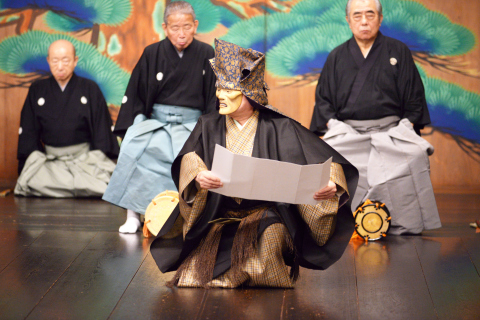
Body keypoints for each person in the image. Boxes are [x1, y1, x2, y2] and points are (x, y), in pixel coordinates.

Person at [149, 39, 359, 288]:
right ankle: (236, 274)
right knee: (191, 275)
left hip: (268, 218)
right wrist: (197, 176)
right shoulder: (208, 124)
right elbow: (190, 160)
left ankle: (237, 275)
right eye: (219, 88)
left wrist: (330, 184)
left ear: (250, 93)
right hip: (220, 216)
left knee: (268, 245)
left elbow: (325, 162)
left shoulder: (280, 127)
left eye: (228, 90)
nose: (219, 95)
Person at [309, 0, 441, 234]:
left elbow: (414, 99)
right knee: (326, 156)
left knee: (416, 154)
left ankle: (405, 222)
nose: (364, 21)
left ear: (380, 19)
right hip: (349, 134)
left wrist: (404, 128)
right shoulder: (337, 56)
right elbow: (324, 103)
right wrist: (337, 127)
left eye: (370, 15)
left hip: (391, 132)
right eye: (357, 15)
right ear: (348, 20)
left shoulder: (398, 51)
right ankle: (339, 224)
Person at [102, 1, 216, 233]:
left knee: (193, 157)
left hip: (192, 124)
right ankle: (133, 213)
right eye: (175, 28)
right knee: (134, 146)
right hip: (157, 122)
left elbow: (213, 98)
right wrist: (137, 123)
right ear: (165, 28)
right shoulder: (152, 53)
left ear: (195, 25)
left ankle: (188, 217)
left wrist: (209, 128)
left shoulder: (207, 53)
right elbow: (136, 94)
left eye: (187, 26)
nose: (181, 34)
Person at [15, 39, 119, 197]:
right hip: (50, 163)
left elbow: (102, 133)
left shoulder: (90, 88)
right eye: (55, 60)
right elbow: (29, 133)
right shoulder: (37, 89)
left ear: (75, 61)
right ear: (48, 61)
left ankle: (62, 188)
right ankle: (78, 187)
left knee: (107, 182)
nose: (60, 66)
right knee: (32, 179)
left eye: (65, 60)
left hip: (84, 161)